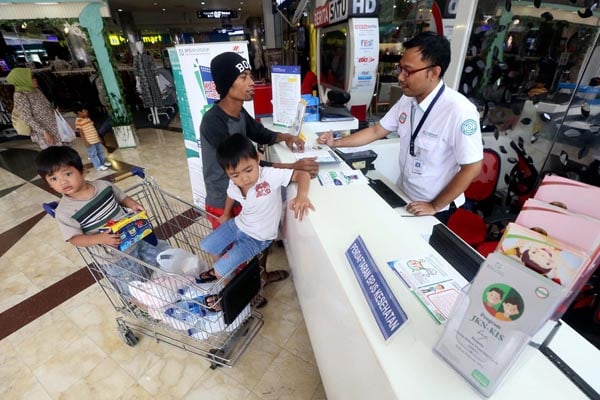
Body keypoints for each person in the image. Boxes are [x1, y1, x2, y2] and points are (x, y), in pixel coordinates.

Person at [317, 33, 483, 224]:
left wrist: (435, 206)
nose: (400, 77)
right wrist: (335, 143)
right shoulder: (407, 100)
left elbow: (472, 168)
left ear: (434, 73)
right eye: (400, 68)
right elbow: (376, 131)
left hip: (436, 209)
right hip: (404, 194)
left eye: (408, 71)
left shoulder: (459, 111)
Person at [199, 52, 319, 287]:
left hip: (251, 192)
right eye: (243, 77)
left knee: (261, 238)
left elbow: (259, 133)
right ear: (226, 84)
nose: (252, 82)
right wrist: (291, 167)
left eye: (250, 76)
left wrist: (286, 136)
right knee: (234, 254)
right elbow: (243, 165)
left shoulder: (240, 112)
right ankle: (237, 294)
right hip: (225, 195)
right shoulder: (213, 122)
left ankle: (260, 277)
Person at [35, 146, 168, 294]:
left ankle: (160, 291)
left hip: (135, 238)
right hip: (113, 257)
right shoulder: (64, 212)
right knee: (131, 286)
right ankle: (142, 306)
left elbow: (120, 197)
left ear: (83, 171)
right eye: (54, 179)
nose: (62, 182)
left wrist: (133, 205)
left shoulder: (104, 186)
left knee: (155, 265)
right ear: (49, 184)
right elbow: (74, 239)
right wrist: (100, 238)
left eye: (67, 174)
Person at [200, 134, 314, 287]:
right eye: (235, 175)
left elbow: (302, 174)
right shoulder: (234, 183)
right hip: (239, 224)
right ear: (227, 173)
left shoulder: (269, 176)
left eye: (248, 170)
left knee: (222, 271)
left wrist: (301, 196)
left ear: (257, 159)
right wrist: (226, 213)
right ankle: (224, 273)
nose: (244, 178)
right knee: (207, 246)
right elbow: (230, 195)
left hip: (258, 237)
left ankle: (231, 291)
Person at [7, 68, 69, 149]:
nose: (35, 79)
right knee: (56, 155)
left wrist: (53, 110)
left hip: (54, 126)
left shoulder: (36, 90)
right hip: (44, 131)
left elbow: (45, 105)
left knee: (66, 151)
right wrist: (44, 132)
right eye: (31, 78)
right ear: (23, 80)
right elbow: (27, 117)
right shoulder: (20, 95)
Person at [74, 104, 112, 171]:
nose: (87, 112)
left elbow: (93, 129)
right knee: (93, 154)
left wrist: (99, 137)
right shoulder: (78, 121)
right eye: (84, 111)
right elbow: (81, 133)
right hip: (90, 141)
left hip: (96, 139)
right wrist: (85, 142)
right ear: (79, 112)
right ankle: (98, 166)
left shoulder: (87, 119)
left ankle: (103, 162)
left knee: (100, 151)